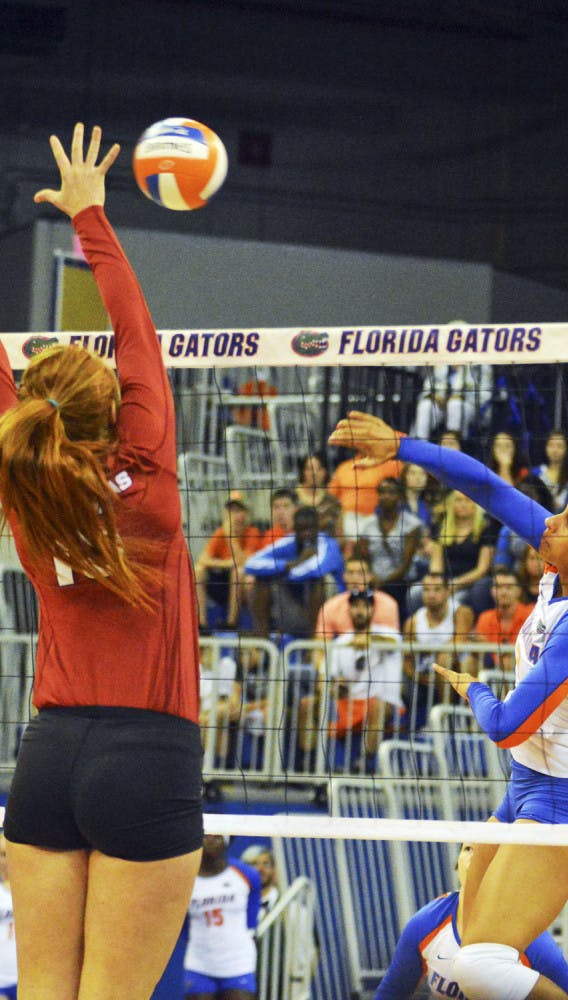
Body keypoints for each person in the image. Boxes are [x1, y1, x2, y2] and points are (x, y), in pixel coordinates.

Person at [329, 410, 568, 1000]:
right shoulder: (564, 566)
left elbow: (508, 726)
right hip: (528, 782)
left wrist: (474, 688)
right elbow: (486, 485)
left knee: (480, 966)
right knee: (467, 950)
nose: (550, 522)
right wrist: (401, 446)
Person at [0, 125, 203, 999]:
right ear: (111, 409)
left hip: (46, 759)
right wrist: (91, 215)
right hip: (146, 760)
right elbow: (137, 329)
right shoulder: (147, 477)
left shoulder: (25, 489)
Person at [374, 844, 568, 1000]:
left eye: (489, 849)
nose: (476, 857)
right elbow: (392, 992)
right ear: (457, 864)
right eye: (469, 848)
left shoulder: (534, 942)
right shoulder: (426, 923)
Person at [300, 589, 403, 762]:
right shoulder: (341, 642)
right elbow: (325, 678)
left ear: (372, 610)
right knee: (307, 704)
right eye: (355, 606)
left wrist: (370, 640)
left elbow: (393, 645)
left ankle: (364, 762)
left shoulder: (388, 634)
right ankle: (309, 763)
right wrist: (334, 687)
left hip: (378, 703)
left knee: (378, 706)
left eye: (365, 606)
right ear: (349, 610)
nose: (360, 611)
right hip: (348, 703)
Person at [244, 505, 344, 639]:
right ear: (294, 529)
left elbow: (315, 570)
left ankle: (315, 643)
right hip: (295, 609)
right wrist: (293, 563)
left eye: (310, 529)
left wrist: (284, 573)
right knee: (261, 580)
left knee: (320, 581)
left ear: (317, 528)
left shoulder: (328, 544)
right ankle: (262, 642)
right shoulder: (289, 541)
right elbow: (251, 564)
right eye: (301, 530)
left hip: (333, 611)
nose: (306, 534)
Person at [184, 834, 261, 1000]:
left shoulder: (246, 875)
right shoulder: (185, 879)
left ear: (227, 842)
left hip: (238, 963)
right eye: (205, 836)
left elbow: (252, 921)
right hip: (199, 963)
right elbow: (183, 925)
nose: (210, 841)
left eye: (217, 837)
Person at [402, 572, 474, 724]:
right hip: (424, 675)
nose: (431, 595)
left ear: (448, 591)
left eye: (436, 589)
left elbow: (458, 644)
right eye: (427, 590)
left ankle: (451, 719)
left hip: (457, 670)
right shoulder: (413, 622)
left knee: (445, 658)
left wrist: (428, 650)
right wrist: (420, 677)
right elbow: (406, 660)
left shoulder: (461, 612)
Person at [195, 492, 264, 629]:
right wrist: (226, 563)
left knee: (238, 571)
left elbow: (245, 561)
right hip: (222, 583)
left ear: (245, 514)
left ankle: (231, 622)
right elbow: (202, 558)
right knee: (198, 570)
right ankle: (201, 623)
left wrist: (231, 536)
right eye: (231, 510)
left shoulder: (252, 532)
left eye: (238, 510)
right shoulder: (221, 532)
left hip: (243, 586)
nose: (234, 515)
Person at [357, 477, 423, 619]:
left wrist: (383, 582)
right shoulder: (368, 525)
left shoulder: (412, 524)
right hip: (372, 580)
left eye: (391, 492)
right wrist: (372, 577)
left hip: (402, 580)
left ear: (399, 496)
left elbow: (406, 564)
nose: (386, 496)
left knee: (393, 590)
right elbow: (364, 558)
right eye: (382, 492)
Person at [314, 555, 400, 642]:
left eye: (360, 573)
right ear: (344, 576)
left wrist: (367, 640)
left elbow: (393, 642)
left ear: (370, 576)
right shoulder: (330, 607)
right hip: (344, 653)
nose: (355, 578)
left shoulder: (388, 604)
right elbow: (321, 644)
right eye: (351, 573)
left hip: (379, 654)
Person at [464, 568, 533, 675]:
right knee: (470, 662)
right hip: (492, 666)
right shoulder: (485, 617)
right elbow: (481, 651)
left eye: (509, 587)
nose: (503, 592)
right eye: (499, 587)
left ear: (519, 591)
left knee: (507, 662)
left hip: (524, 669)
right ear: (492, 591)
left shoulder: (530, 615)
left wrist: (488, 647)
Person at [411, 358, 493, 442]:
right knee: (426, 406)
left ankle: (453, 447)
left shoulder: (481, 362)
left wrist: (461, 396)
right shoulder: (442, 359)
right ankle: (419, 445)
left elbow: (485, 395)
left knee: (455, 405)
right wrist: (434, 395)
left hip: (471, 406)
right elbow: (429, 385)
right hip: (443, 404)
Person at [531, 430, 568, 512]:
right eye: (551, 445)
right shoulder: (535, 473)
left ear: (567, 449)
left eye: (559, 446)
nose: (555, 450)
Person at [240, 845, 280, 923]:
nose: (260, 869)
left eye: (266, 864)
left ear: (274, 870)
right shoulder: (237, 907)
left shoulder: (291, 906)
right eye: (254, 865)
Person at [0, 836, 17, 1000]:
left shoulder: (33, 890)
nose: (6, 860)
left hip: (26, 977)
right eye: (2, 855)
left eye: (8, 854)